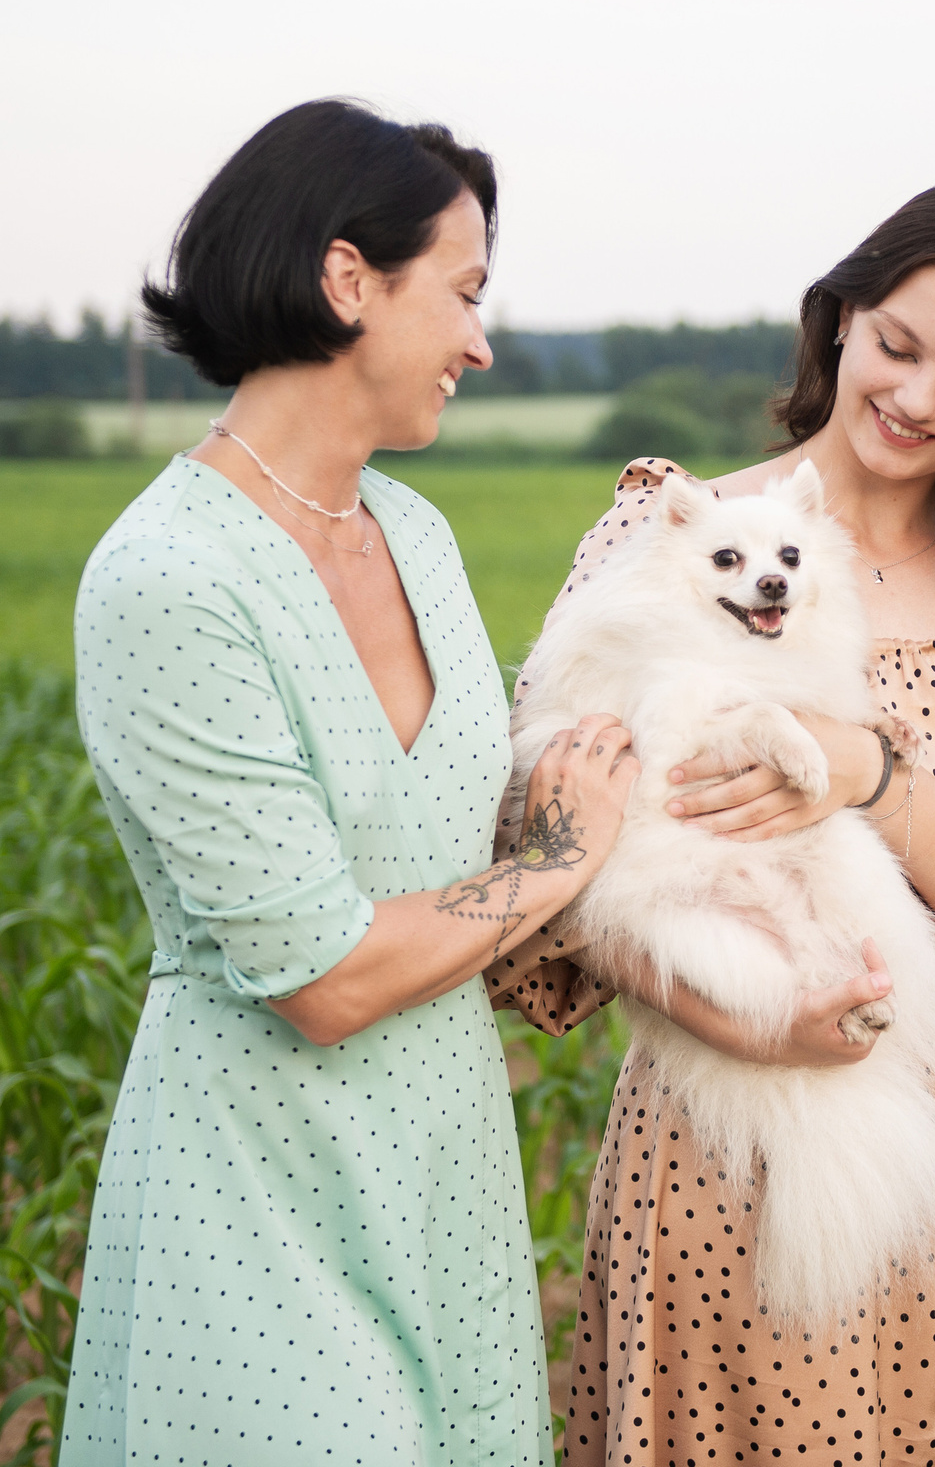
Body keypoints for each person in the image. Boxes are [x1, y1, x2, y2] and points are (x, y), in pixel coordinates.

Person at [487, 177, 935, 1464]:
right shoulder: (672, 528)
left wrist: (860, 772)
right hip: (712, 1125)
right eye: (897, 345)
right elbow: (544, 838)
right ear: (840, 318)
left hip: (924, 1136)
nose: (920, 399)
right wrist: (744, 1016)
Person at [60, 100, 639, 1467]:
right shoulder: (168, 581)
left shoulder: (417, 536)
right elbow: (322, 978)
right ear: (346, 279)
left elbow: (481, 832)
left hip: (445, 1172)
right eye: (465, 291)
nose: (482, 342)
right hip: (257, 1188)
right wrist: (564, 859)